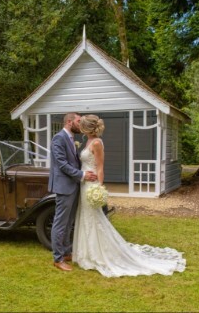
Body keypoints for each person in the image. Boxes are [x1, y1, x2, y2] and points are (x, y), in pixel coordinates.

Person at [73, 114, 186, 277]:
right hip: (84, 183)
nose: (80, 128)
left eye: (82, 126)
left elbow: (100, 167)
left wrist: (98, 187)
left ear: (86, 128)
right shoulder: (88, 141)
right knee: (86, 217)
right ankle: (88, 253)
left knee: (94, 218)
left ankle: (99, 254)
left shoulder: (97, 143)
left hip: (91, 185)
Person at [49, 112, 97, 272]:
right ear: (69, 122)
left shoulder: (71, 139)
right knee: (60, 222)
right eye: (78, 121)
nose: (80, 123)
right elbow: (62, 164)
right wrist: (82, 175)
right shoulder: (59, 138)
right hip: (64, 186)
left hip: (74, 185)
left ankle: (66, 252)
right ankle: (58, 258)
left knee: (69, 222)